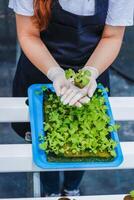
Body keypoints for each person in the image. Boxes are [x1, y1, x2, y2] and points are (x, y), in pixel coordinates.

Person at [9, 0, 134, 197]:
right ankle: (50, 191)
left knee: (88, 141)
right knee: (44, 145)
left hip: (92, 72)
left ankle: (71, 188)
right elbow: (28, 34)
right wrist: (56, 73)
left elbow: (112, 37)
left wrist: (90, 72)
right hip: (40, 70)